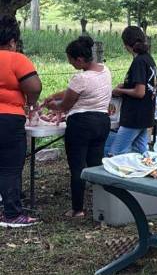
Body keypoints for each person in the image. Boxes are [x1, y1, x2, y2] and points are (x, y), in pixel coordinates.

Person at [43, 37, 112, 218]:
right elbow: (73, 92)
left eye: (71, 60)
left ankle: (77, 209)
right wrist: (54, 95)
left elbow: (65, 105)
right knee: (96, 165)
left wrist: (52, 105)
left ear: (80, 59)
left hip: (81, 125)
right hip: (102, 122)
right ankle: (102, 204)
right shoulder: (105, 70)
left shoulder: (80, 77)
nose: (71, 63)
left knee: (77, 166)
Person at [0, 15, 42, 228]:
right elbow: (34, 86)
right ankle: (12, 214)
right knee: (9, 167)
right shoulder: (16, 59)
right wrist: (31, 103)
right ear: (12, 41)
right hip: (8, 119)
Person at [105, 26, 157, 156]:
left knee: (115, 154)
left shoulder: (139, 62)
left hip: (134, 117)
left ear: (125, 44)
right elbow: (154, 84)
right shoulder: (148, 59)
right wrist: (126, 85)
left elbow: (140, 92)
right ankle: (152, 171)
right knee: (140, 151)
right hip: (147, 114)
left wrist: (121, 91)